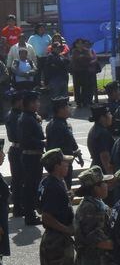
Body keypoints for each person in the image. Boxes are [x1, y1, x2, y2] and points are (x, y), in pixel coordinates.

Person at [39, 148, 80, 265]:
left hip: (55, 239)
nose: (68, 165)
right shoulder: (53, 186)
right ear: (56, 166)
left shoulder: (51, 182)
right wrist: (67, 230)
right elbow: (46, 217)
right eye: (65, 162)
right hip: (57, 241)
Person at [18, 90, 45, 225]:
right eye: (35, 102)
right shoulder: (26, 119)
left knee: (34, 186)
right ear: (29, 104)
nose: (38, 104)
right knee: (30, 187)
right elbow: (26, 140)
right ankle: (29, 216)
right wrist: (43, 142)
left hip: (35, 156)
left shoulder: (31, 116)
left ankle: (31, 212)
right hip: (31, 157)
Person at [45, 96, 83, 188]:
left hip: (66, 162)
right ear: (60, 110)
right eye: (67, 107)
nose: (69, 109)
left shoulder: (62, 123)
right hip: (60, 165)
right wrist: (60, 164)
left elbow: (72, 142)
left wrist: (78, 155)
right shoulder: (56, 126)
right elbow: (55, 148)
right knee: (63, 187)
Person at [6, 90, 24, 217]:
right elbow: (17, 135)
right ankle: (18, 206)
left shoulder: (16, 114)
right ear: (18, 102)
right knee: (18, 180)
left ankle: (20, 205)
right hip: (17, 151)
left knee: (19, 180)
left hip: (18, 150)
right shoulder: (14, 116)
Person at [87, 104, 115, 180]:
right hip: (103, 173)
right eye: (109, 114)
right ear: (102, 117)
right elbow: (105, 156)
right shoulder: (103, 133)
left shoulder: (94, 129)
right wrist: (111, 177)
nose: (111, 116)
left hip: (96, 169)